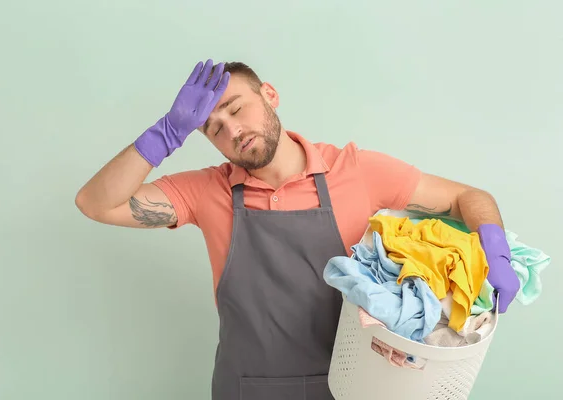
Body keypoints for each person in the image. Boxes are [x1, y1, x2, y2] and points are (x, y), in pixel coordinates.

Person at [75, 59, 520, 399]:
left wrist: (496, 254)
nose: (233, 130)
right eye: (214, 128)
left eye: (236, 109)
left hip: (350, 386)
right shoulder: (203, 192)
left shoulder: (357, 170)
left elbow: (469, 198)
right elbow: (95, 203)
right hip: (246, 390)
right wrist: (166, 133)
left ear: (269, 94)